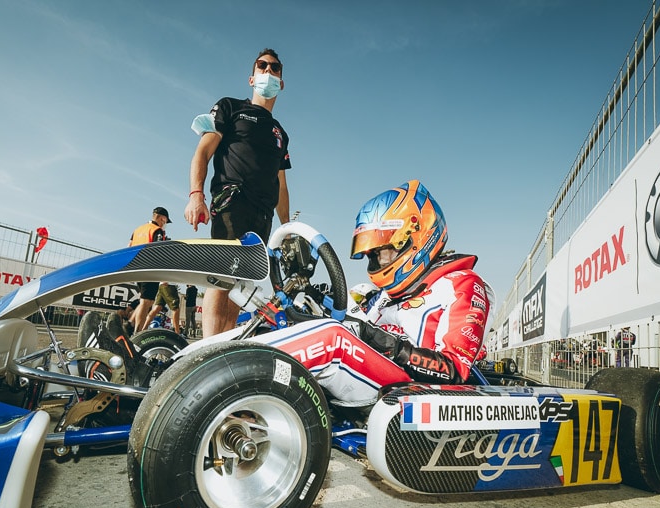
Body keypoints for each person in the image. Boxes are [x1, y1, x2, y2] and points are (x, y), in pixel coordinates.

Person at [256, 180, 493, 408]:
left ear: (415, 239)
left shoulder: (462, 285)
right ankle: (235, 369)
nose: (376, 262)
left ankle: (239, 380)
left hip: (416, 393)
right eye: (372, 255)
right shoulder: (387, 295)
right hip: (382, 383)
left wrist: (382, 343)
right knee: (282, 324)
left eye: (382, 252)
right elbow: (359, 326)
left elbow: (453, 371)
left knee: (333, 339)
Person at [184, 48, 291, 337]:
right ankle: (207, 348)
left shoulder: (281, 133)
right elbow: (202, 152)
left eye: (275, 68)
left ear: (281, 81)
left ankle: (224, 345)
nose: (268, 72)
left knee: (241, 283)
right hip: (232, 200)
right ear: (251, 77)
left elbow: (281, 183)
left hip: (263, 215)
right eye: (262, 66)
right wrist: (196, 194)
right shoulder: (231, 107)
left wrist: (288, 230)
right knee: (222, 275)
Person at [128, 207, 171, 332]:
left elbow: (129, 246)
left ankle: (131, 324)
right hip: (149, 268)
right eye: (165, 221)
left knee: (146, 300)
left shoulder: (138, 230)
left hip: (136, 267)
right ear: (162, 218)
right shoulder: (157, 230)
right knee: (146, 301)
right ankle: (137, 331)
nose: (165, 224)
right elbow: (157, 250)